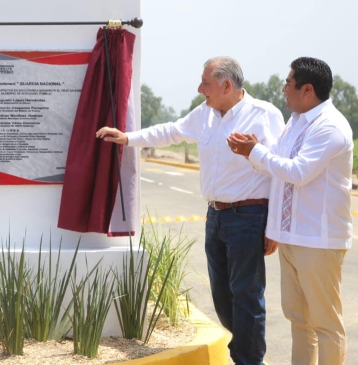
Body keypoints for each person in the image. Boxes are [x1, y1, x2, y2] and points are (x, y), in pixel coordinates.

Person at [97, 56, 285, 365]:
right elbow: (171, 131)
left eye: (206, 83)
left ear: (227, 85)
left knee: (247, 296)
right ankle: (244, 354)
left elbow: (279, 174)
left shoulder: (264, 116)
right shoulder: (205, 114)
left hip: (249, 218)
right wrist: (128, 138)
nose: (200, 89)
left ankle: (249, 361)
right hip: (215, 217)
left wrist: (273, 227)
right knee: (224, 300)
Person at [227, 57, 352, 364]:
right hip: (294, 237)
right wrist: (257, 150)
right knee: (300, 321)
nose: (283, 89)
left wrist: (254, 152)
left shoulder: (330, 127)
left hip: (318, 241)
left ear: (307, 89)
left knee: (325, 324)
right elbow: (280, 171)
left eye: (288, 83)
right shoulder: (296, 122)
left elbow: (297, 172)